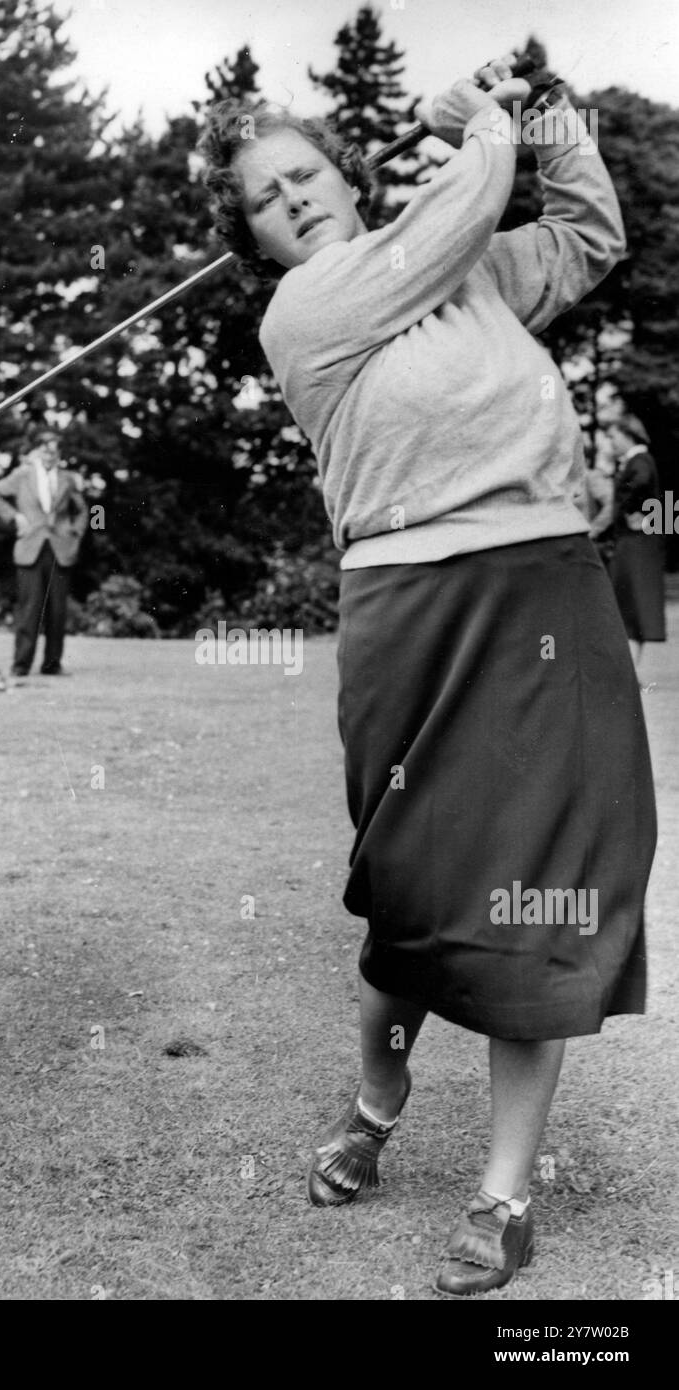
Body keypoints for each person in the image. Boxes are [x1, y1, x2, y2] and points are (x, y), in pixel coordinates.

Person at [199, 55, 657, 1296]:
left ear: (342, 176)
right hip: (412, 610)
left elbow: (584, 231)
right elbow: (466, 200)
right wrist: (483, 129)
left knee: (542, 893)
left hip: (548, 586)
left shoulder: (469, 273)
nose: (289, 198)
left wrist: (548, 122)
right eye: (260, 198)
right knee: (409, 910)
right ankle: (376, 1100)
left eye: (302, 173)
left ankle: (502, 1197)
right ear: (251, 238)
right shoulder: (305, 311)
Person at [0, 426, 86, 677]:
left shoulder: (67, 479)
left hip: (60, 549)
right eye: (45, 450)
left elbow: (83, 510)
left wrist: (75, 533)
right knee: (29, 609)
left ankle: (52, 664)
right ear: (37, 451)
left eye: (54, 450)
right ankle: (21, 665)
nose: (50, 455)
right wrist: (15, 517)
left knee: (58, 611)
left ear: (59, 453)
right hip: (30, 547)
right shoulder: (22, 475)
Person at [604, 413, 666, 669]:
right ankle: (629, 670)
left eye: (614, 437)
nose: (611, 443)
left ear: (629, 435)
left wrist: (631, 510)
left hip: (636, 543)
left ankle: (627, 671)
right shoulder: (642, 459)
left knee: (629, 605)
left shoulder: (639, 460)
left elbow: (639, 483)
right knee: (631, 608)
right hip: (639, 542)